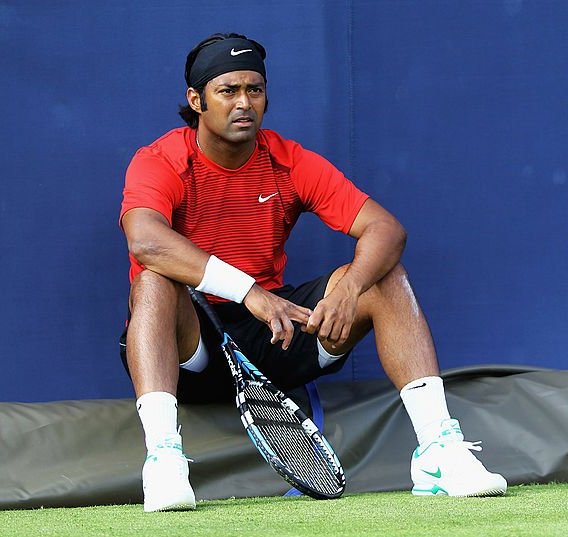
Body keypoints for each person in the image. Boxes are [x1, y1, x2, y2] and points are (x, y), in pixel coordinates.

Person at [119, 32, 507, 512]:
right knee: (153, 281)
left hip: (274, 335)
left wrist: (350, 290)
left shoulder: (288, 160)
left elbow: (385, 229)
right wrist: (249, 292)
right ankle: (163, 460)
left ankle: (438, 451)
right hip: (191, 346)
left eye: (255, 90)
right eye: (228, 91)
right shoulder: (160, 160)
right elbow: (146, 241)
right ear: (196, 100)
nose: (244, 103)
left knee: (383, 275)